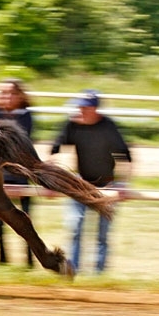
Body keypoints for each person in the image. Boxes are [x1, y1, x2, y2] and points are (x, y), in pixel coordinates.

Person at [51, 89, 132, 274]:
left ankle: (98, 274)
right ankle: (73, 270)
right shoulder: (72, 125)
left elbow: (126, 158)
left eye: (83, 107)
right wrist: (51, 179)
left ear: (94, 109)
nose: (78, 110)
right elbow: (54, 151)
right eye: (78, 107)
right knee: (75, 226)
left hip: (107, 185)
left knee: (102, 234)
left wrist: (122, 184)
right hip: (81, 183)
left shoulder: (108, 127)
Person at [0, 78, 34, 267]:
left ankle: (30, 258)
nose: (6, 97)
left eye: (11, 93)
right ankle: (2, 258)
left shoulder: (26, 116)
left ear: (19, 95)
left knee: (26, 219)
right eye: (2, 92)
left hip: (21, 173)